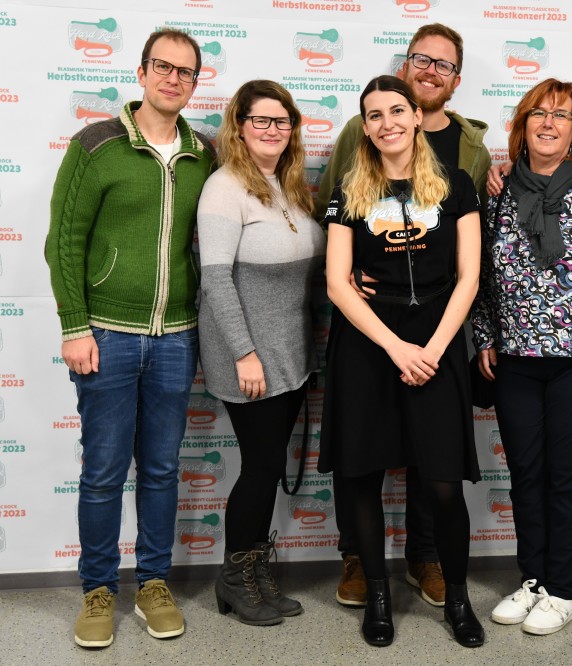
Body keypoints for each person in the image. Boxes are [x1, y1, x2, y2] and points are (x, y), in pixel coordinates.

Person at [46, 28, 215, 648]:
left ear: (195, 83)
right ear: (142, 72)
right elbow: (64, 241)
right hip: (106, 336)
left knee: (163, 469)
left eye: (185, 72)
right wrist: (74, 326)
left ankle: (152, 584)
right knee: (103, 471)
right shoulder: (97, 145)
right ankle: (97, 590)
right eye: (162, 67)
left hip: (176, 338)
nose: (173, 79)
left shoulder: (204, 154)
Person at [314, 22, 491, 610]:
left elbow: (470, 276)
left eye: (397, 110)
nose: (387, 122)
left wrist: (433, 351)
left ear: (417, 116)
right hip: (369, 343)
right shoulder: (348, 189)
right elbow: (337, 283)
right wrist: (396, 348)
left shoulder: (457, 184)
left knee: (442, 483)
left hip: (437, 341)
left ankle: (457, 599)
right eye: (375, 115)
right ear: (364, 128)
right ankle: (378, 598)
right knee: (361, 475)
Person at [471, 79, 572, 636]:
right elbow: (481, 274)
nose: (548, 122)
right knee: (526, 475)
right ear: (522, 124)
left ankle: (563, 590)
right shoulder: (496, 192)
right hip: (517, 357)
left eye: (561, 115)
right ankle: (533, 579)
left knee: (570, 478)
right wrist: (485, 335)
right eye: (538, 112)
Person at [196, 80, 325, 626]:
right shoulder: (225, 187)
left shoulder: (290, 184)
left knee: (268, 467)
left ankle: (253, 570)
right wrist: (244, 352)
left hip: (291, 351)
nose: (273, 130)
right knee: (261, 466)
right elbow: (216, 279)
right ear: (240, 126)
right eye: (261, 121)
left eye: (282, 121)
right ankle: (234, 580)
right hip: (248, 355)